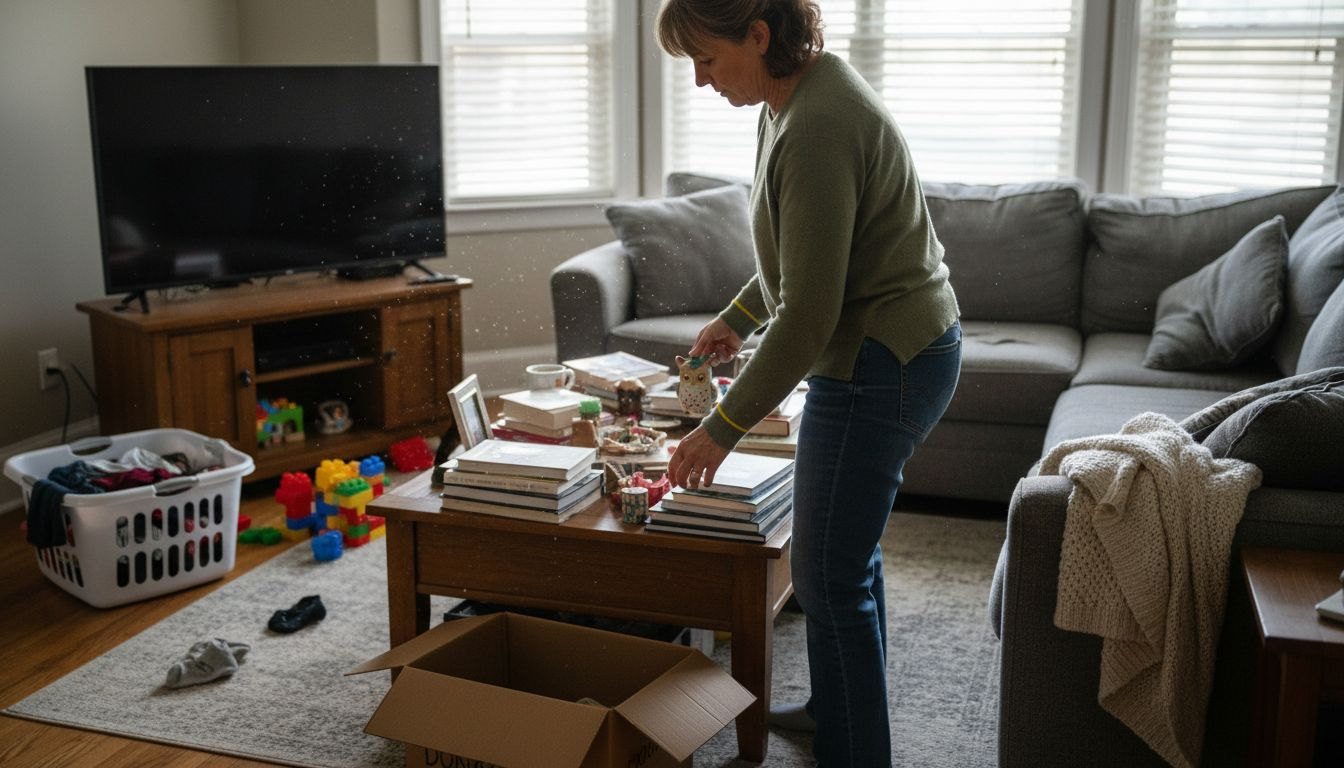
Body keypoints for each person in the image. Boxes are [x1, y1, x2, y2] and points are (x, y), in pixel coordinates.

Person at [656, 2, 963, 765]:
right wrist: (737, 316)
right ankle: (837, 714)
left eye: (706, 59)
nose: (700, 81)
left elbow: (810, 314)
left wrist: (720, 428)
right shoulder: (789, 99)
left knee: (825, 577)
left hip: (881, 360)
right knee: (845, 553)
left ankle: (856, 749)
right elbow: (803, 257)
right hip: (895, 347)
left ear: (758, 35)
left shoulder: (820, 124)